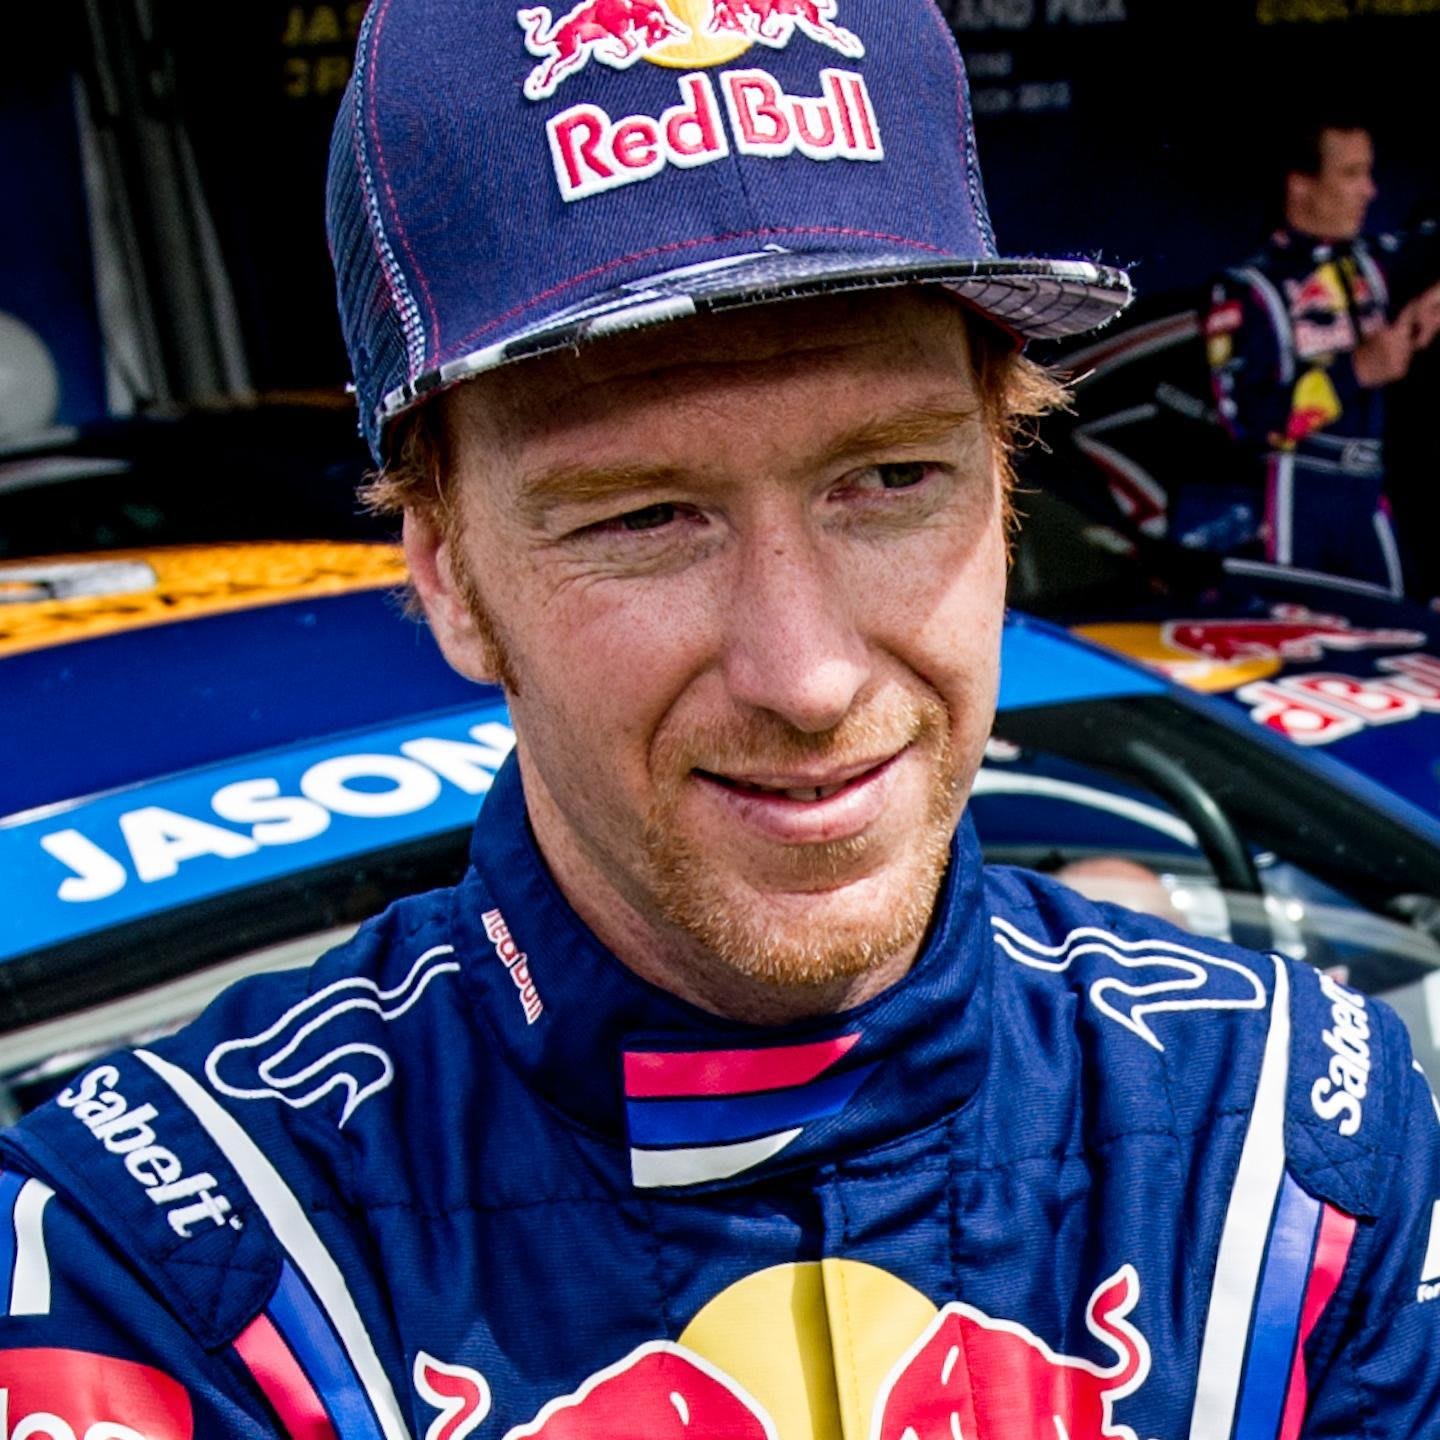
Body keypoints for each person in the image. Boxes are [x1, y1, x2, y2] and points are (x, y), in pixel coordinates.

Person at [3, 5, 1439, 1437]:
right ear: (448, 576)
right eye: (644, 515)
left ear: (1005, 482)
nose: (807, 678)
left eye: (892, 479)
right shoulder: (155, 1262)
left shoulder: (1299, 1143)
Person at [1203, 118, 1440, 591]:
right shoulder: (1248, 289)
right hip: (1294, 499)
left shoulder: (1374, 264)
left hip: (1371, 491)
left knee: (1395, 625)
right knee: (1296, 623)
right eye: (1351, 174)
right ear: (1300, 185)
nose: (1369, 191)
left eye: (1369, 173)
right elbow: (1242, 421)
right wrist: (1355, 371)